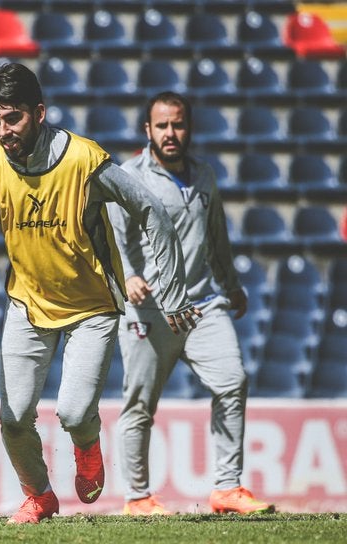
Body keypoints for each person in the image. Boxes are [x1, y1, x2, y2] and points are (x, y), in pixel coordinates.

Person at [0, 62, 200, 524]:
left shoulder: (85, 160)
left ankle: (87, 444)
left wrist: (172, 292)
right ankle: (39, 495)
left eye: (12, 118)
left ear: (39, 112)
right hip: (27, 305)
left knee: (75, 414)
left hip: (92, 308)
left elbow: (151, 210)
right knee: (13, 419)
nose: (3, 131)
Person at [108, 91, 273, 516]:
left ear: (189, 128)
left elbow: (217, 235)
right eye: (161, 125)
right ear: (148, 130)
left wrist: (232, 285)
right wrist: (128, 276)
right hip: (150, 310)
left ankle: (227, 488)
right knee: (139, 404)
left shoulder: (205, 176)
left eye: (177, 124)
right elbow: (114, 234)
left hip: (202, 304)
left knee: (233, 381)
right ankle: (138, 498)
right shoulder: (129, 175)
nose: (170, 133)